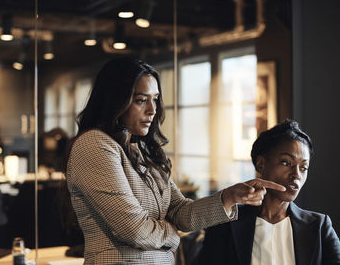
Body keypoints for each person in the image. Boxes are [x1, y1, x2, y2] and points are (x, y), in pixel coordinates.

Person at [65, 57, 285, 264]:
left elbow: (181, 212)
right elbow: (133, 230)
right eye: (141, 100)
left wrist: (230, 196)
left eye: (155, 100)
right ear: (115, 100)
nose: (152, 110)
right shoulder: (94, 145)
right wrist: (174, 233)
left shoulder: (141, 152)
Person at [195, 119, 340, 265]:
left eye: (303, 167)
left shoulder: (319, 227)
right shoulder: (226, 224)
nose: (296, 175)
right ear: (260, 164)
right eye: (286, 163)